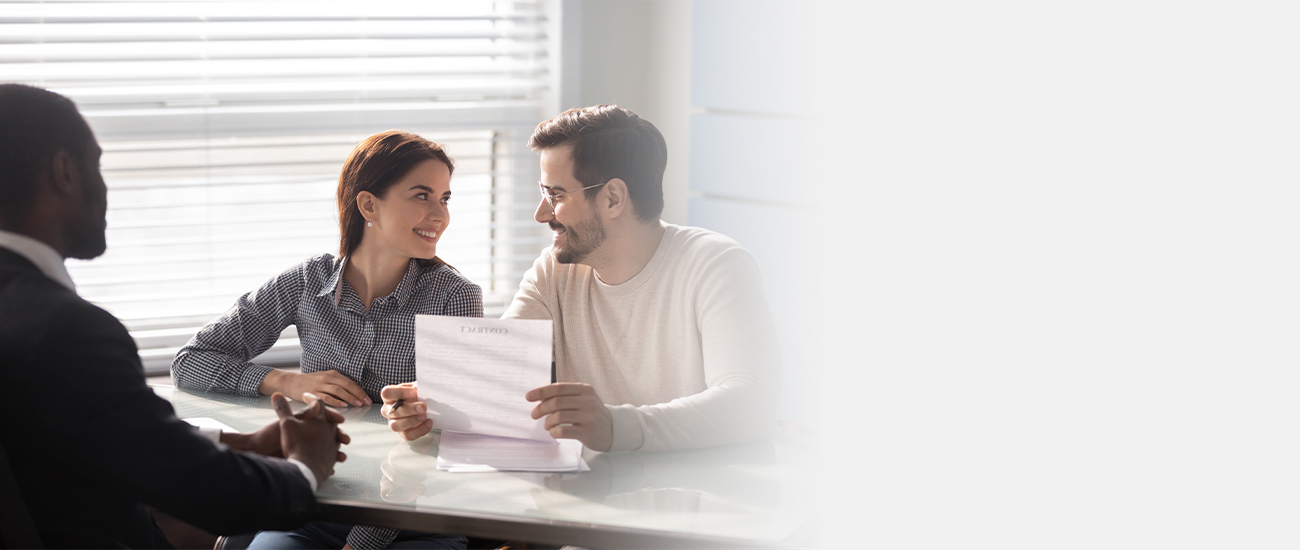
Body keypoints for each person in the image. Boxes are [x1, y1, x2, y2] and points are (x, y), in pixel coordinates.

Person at [0, 83, 347, 548]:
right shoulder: (66, 330)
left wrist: (237, 444)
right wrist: (306, 465)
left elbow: (92, 435)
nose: (104, 186)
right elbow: (217, 497)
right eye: (96, 164)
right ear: (64, 171)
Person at [382, 104, 781, 453]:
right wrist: (426, 403)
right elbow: (496, 375)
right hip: (597, 506)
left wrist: (615, 426)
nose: (541, 214)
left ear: (612, 198)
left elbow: (750, 403)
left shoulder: (714, 263)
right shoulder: (555, 271)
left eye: (555, 195)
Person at [171, 130, 481, 550]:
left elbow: (440, 439)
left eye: (444, 199)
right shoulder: (306, 281)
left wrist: (362, 545)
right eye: (421, 196)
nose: (439, 215)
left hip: (417, 520)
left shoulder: (454, 296)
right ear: (369, 204)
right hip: (313, 511)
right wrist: (285, 382)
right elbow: (191, 361)